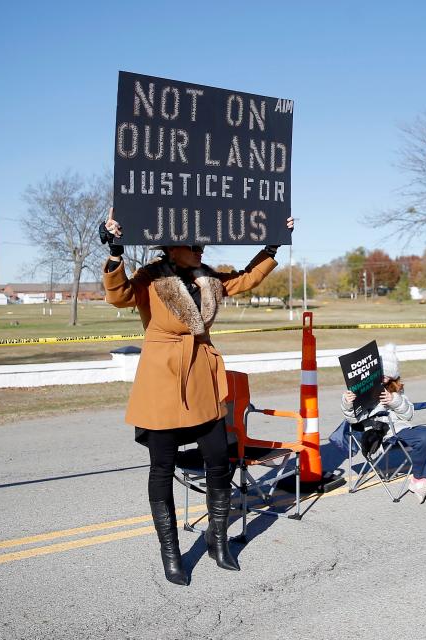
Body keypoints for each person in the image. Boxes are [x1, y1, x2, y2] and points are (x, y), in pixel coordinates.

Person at [99, 209, 294, 586]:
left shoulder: (208, 278)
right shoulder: (149, 278)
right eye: (194, 244)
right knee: (162, 469)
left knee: (219, 459)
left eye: (202, 243)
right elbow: (119, 296)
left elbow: (246, 279)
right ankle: (171, 554)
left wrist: (272, 243)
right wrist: (116, 252)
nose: (201, 249)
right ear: (173, 248)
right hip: (163, 379)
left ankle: (217, 540)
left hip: (203, 377)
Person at [341, 343, 426, 504]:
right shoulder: (362, 388)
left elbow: (409, 415)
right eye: (382, 373)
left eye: (388, 375)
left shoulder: (394, 388)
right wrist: (348, 404)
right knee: (423, 438)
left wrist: (395, 400)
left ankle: (424, 481)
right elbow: (353, 420)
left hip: (401, 427)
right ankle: (417, 480)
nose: (384, 378)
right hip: (380, 432)